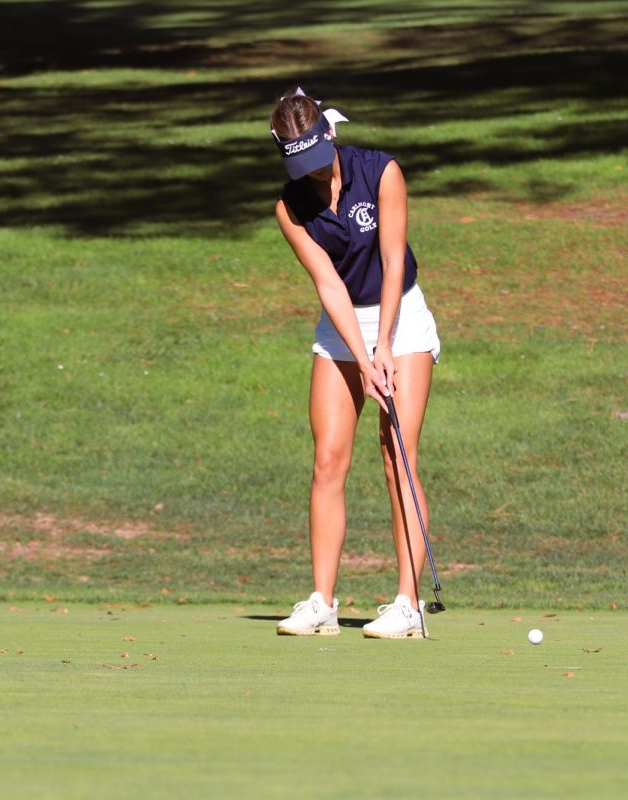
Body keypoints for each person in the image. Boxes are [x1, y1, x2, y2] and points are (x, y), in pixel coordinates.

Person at [269, 87, 441, 639]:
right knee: (328, 458)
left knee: (398, 458)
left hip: (401, 320)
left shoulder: (382, 171)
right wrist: (361, 356)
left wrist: (384, 347)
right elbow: (329, 286)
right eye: (301, 165)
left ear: (331, 134)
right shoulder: (289, 206)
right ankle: (322, 603)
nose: (314, 174)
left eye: (317, 159)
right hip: (341, 325)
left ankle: (408, 606)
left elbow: (393, 262)